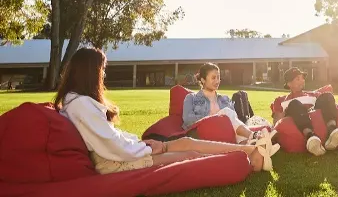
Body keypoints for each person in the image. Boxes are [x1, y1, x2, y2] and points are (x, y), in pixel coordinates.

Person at [55, 47, 278, 174]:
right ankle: (251, 157)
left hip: (126, 150)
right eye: (101, 70)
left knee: (189, 143)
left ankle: (251, 151)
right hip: (115, 161)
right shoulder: (81, 104)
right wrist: (148, 149)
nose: (103, 76)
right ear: (90, 72)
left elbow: (110, 138)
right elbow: (110, 145)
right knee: (191, 153)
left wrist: (145, 144)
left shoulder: (77, 101)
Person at [271, 67, 338, 156]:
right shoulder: (281, 100)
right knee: (295, 103)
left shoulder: (313, 95)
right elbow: (277, 123)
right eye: (298, 79)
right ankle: (310, 137)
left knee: (327, 96)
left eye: (302, 78)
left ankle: (332, 130)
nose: (302, 81)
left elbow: (329, 105)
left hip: (315, 117)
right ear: (289, 83)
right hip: (299, 119)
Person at [182, 63, 263, 144]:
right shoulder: (191, 98)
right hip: (202, 133)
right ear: (203, 80)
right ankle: (253, 136)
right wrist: (214, 118)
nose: (217, 81)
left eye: (218, 77)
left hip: (224, 132)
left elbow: (234, 121)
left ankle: (255, 144)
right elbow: (188, 120)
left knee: (229, 116)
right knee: (226, 112)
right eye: (213, 78)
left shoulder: (225, 99)